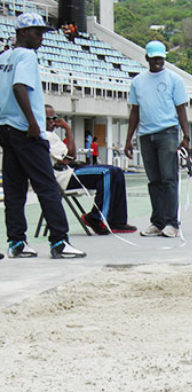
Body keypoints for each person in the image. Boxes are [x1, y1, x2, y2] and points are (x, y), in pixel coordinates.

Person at [0, 13, 85, 258]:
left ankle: (17, 242)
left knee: (14, 189)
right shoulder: (26, 55)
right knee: (47, 186)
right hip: (26, 131)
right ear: (22, 33)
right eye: (37, 33)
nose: (41, 38)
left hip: (6, 129)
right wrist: (33, 123)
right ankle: (59, 241)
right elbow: (19, 86)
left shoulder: (4, 57)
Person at [125, 40, 190, 238]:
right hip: (145, 135)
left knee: (169, 178)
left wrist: (186, 136)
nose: (157, 62)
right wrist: (128, 139)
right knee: (154, 180)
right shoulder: (137, 82)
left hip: (167, 133)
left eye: (160, 59)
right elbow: (135, 112)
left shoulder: (174, 79)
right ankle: (157, 222)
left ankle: (172, 223)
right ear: (147, 58)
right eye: (154, 59)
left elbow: (181, 109)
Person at [45, 105, 137, 235]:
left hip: (69, 171)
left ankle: (117, 221)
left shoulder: (52, 135)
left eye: (54, 118)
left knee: (117, 172)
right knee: (107, 173)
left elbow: (70, 157)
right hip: (63, 177)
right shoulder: (47, 136)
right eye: (48, 119)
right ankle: (96, 217)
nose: (53, 122)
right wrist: (68, 129)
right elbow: (69, 157)